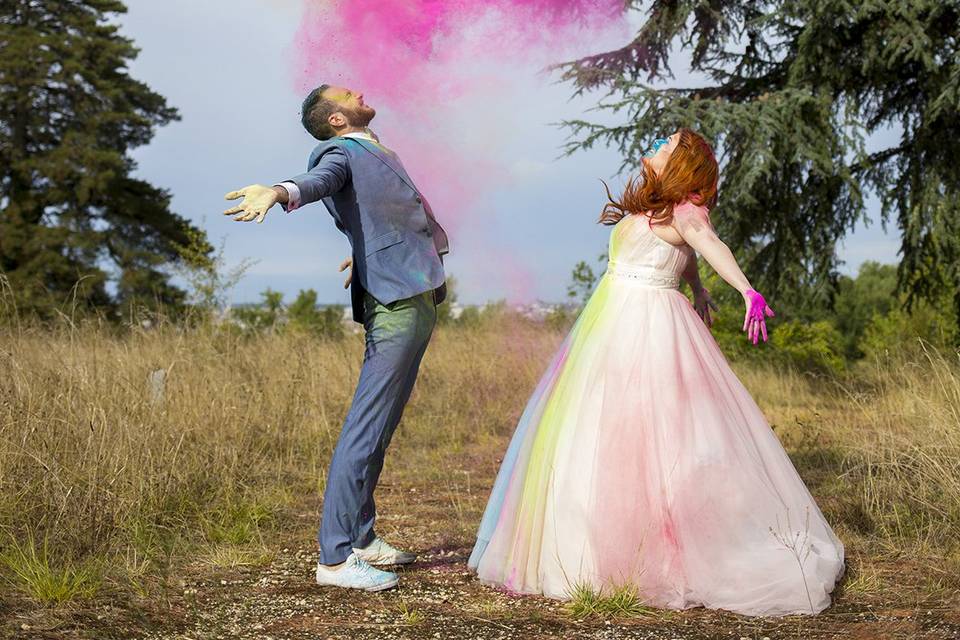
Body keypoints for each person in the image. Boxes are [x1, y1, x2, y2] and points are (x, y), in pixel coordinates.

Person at [467, 128, 845, 616]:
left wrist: (745, 290)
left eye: (667, 145)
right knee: (591, 429)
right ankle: (578, 550)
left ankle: (658, 551)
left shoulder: (688, 211)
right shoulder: (651, 212)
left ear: (683, 166)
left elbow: (706, 242)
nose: (656, 146)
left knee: (656, 432)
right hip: (609, 323)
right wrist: (699, 288)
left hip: (649, 324)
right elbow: (684, 258)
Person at [224, 85, 449, 592]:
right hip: (394, 304)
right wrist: (279, 191)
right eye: (348, 93)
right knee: (365, 427)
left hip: (413, 291)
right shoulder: (339, 151)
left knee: (383, 424)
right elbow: (319, 181)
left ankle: (363, 538)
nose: (361, 91)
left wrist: (365, 252)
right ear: (337, 119)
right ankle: (335, 557)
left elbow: (380, 216)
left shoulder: (371, 148)